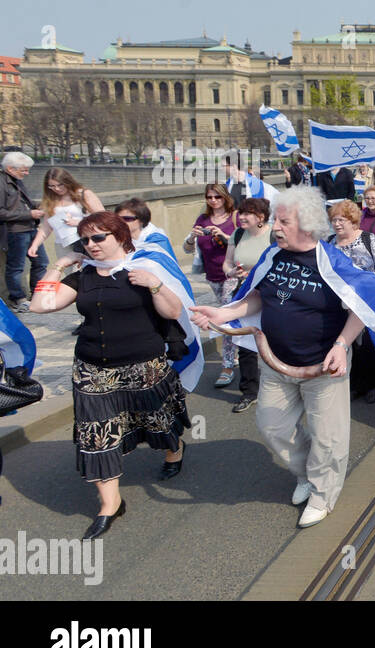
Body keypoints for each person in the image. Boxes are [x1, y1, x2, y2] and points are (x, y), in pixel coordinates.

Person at [191, 187, 373, 529]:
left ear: (307, 224)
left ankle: (322, 494)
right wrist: (221, 314)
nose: (275, 227)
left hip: (323, 366)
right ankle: (307, 473)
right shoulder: (273, 255)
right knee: (271, 425)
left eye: (283, 221)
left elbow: (362, 306)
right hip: (275, 362)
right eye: (276, 220)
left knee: (327, 436)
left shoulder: (334, 262)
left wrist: (341, 344)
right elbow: (257, 296)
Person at [30, 212, 190, 539]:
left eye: (99, 237)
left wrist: (154, 284)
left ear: (119, 236)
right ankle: (110, 504)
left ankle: (175, 450)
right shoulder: (83, 275)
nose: (91, 245)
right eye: (85, 240)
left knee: (157, 420)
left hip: (143, 365)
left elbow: (173, 312)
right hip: (91, 369)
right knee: (96, 434)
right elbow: (40, 306)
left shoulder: (145, 266)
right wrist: (58, 265)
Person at [328, 200, 375, 403]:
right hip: (337, 304)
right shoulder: (328, 243)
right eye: (334, 220)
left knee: (367, 347)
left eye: (341, 220)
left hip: (367, 302)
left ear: (353, 220)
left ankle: (372, 385)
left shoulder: (368, 239)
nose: (337, 224)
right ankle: (353, 385)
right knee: (346, 345)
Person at [220, 197, 274, 413]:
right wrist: (230, 272)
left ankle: (280, 388)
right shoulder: (238, 234)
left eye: (246, 213)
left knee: (274, 341)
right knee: (244, 342)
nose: (240, 217)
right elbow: (227, 262)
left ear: (260, 217)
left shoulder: (273, 234)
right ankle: (249, 391)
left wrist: (257, 274)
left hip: (269, 294)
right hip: (243, 293)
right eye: (240, 213)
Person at [185, 184, 240, 387]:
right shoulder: (202, 219)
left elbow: (244, 243)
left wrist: (225, 237)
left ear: (225, 197)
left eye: (217, 196)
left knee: (223, 317)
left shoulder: (235, 217)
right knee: (234, 316)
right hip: (212, 275)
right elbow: (187, 247)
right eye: (209, 197)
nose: (213, 200)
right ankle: (241, 345)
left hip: (233, 274)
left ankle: (227, 366)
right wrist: (192, 236)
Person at [24, 169, 104, 306]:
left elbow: (103, 217)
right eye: (52, 186)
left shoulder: (83, 194)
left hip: (85, 241)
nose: (57, 189)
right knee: (72, 278)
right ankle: (82, 308)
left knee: (90, 274)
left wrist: (79, 222)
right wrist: (35, 245)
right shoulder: (51, 200)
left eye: (60, 185)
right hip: (63, 244)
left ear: (68, 182)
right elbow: (46, 227)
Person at [1, 154, 45, 312]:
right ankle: (18, 299)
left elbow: (25, 203)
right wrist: (29, 214)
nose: (27, 173)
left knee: (41, 263)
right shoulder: (1, 183)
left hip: (30, 228)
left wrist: (39, 206)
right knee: (16, 267)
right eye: (24, 170)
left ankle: (37, 295)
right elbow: (1, 212)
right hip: (15, 231)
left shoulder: (16, 181)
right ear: (10, 169)